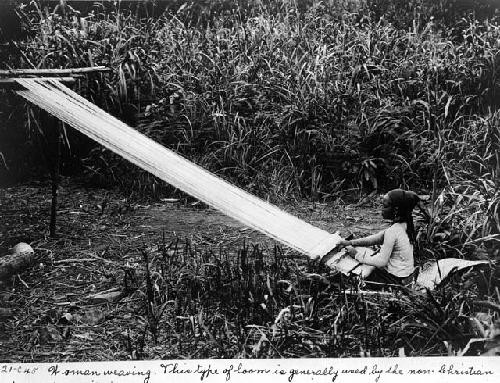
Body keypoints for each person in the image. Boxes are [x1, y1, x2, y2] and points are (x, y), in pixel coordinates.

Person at [337, 189, 420, 286]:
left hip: (395, 279)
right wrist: (351, 243)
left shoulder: (392, 231)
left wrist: (356, 255)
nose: (382, 209)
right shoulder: (405, 225)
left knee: (351, 277)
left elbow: (381, 262)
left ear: (396, 210)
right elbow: (376, 238)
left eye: (385, 206)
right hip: (406, 276)